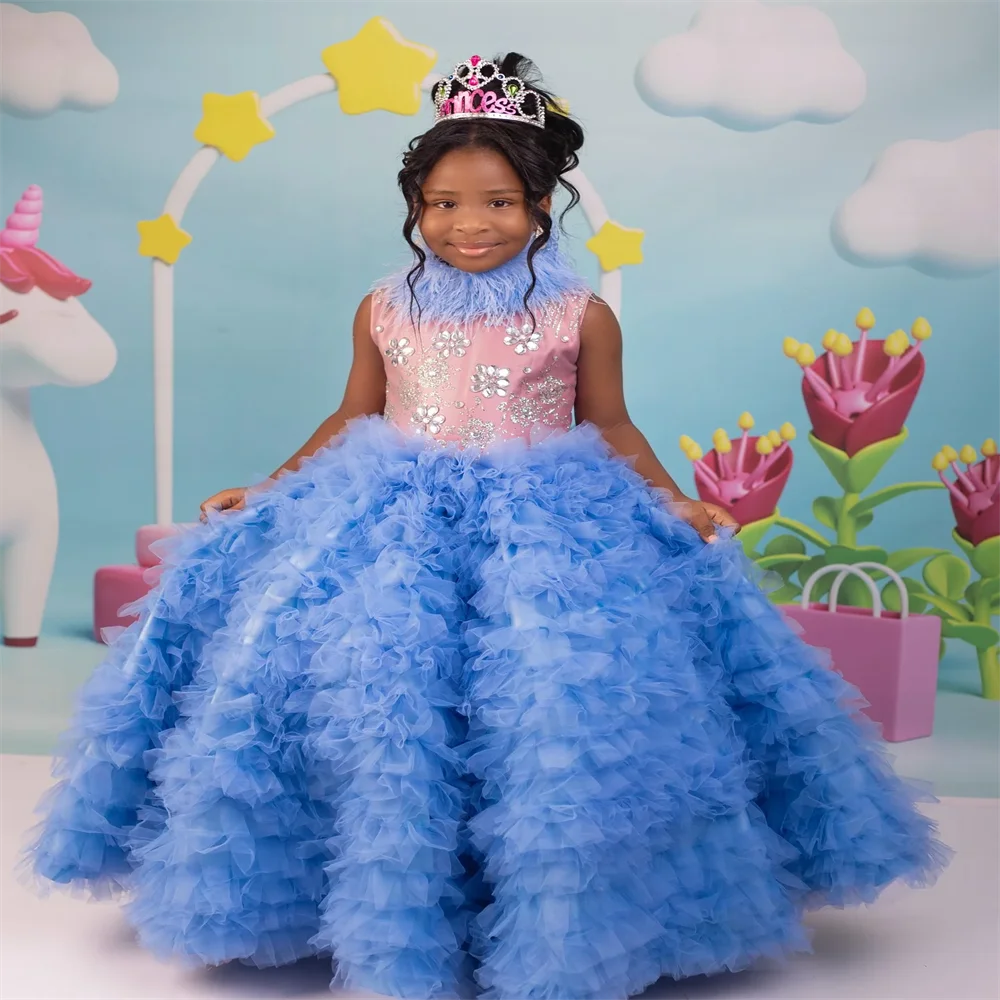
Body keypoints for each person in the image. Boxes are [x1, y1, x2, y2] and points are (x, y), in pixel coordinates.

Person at [26, 53, 947, 1000]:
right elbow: (355, 413)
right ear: (417, 206)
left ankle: (563, 910)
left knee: (552, 706)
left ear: (543, 203)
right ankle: (376, 902)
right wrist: (272, 486)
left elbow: (611, 422)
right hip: (393, 521)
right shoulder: (386, 306)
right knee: (384, 703)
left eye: (499, 202)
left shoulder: (577, 314)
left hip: (546, 530)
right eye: (445, 203)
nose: (470, 225)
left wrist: (671, 495)